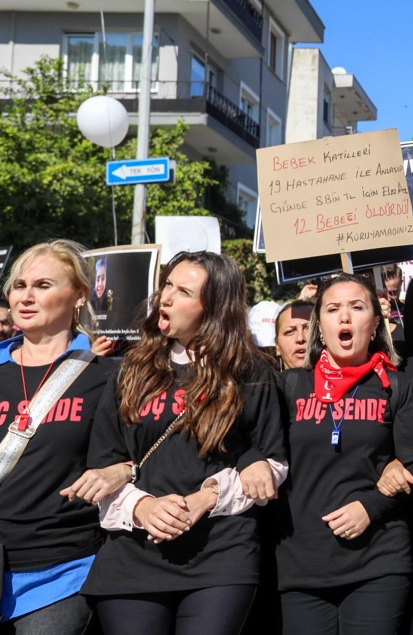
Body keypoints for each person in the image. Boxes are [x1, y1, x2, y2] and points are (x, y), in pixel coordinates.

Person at [79, 251, 287, 635]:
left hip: (220, 553)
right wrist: (143, 507)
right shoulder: (129, 370)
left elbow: (273, 464)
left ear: (214, 308)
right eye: (167, 286)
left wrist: (206, 497)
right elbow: (105, 465)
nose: (166, 298)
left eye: (183, 291)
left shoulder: (252, 372)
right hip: (133, 554)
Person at [273, 274, 413, 635]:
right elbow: (259, 450)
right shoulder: (288, 386)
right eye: (333, 309)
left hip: (378, 560)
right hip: (302, 564)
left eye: (357, 307)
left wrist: (372, 505)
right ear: (320, 327)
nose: (344, 317)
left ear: (375, 324)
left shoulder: (397, 386)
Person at [0, 241, 117, 634]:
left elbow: (145, 454)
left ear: (79, 296)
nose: (26, 297)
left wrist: (123, 470)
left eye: (43, 285)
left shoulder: (106, 376)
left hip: (59, 571)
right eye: (19, 285)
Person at [273, 301, 313, 371]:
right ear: (277, 346)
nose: (300, 338)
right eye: (290, 332)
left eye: (309, 329)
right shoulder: (265, 381)